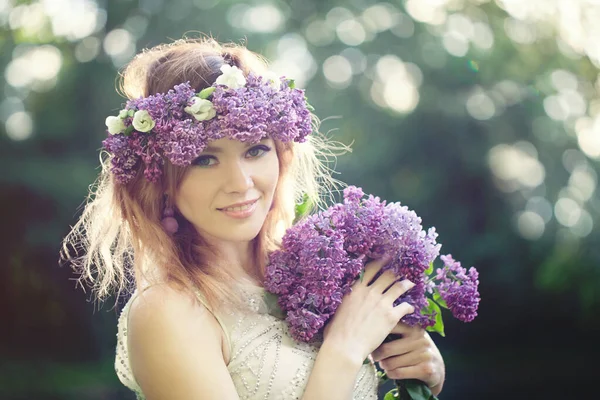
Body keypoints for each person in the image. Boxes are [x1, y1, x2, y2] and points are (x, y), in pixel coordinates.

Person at [62, 37, 445, 399]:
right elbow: (342, 356)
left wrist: (420, 373)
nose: (240, 182)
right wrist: (345, 349)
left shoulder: (314, 275)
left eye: (256, 150)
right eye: (205, 159)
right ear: (161, 179)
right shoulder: (167, 312)